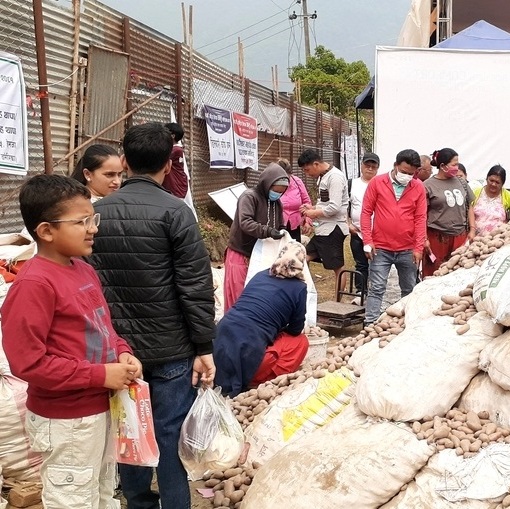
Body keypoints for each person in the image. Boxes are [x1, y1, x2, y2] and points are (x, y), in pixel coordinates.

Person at [89, 122, 216, 509]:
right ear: (167, 164)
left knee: (129, 428)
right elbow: (195, 286)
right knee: (170, 432)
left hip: (117, 351)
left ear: (124, 162)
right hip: (171, 348)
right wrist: (204, 347)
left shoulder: (93, 215)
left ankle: (139, 502)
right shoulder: (176, 212)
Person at [2, 174, 141, 509]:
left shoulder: (83, 269)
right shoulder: (34, 285)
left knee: (103, 491)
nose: (92, 229)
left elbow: (102, 328)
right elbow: (28, 363)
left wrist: (122, 352)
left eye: (92, 218)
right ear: (46, 231)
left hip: (101, 407)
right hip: (66, 421)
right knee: (73, 500)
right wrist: (100, 375)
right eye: (81, 222)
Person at [214, 241, 309, 396]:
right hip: (249, 351)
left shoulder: (261, 275)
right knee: (300, 342)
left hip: (219, 340)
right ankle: (260, 380)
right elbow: (295, 329)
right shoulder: (299, 288)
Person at [361, 149, 426, 325]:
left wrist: (418, 247)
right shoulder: (377, 182)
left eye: (411, 174)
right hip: (380, 247)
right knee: (376, 288)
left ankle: (407, 323)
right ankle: (370, 324)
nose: (407, 176)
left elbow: (421, 218)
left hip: (408, 248)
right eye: (404, 172)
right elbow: (366, 212)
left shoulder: (418, 187)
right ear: (395, 165)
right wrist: (367, 241)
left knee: (409, 288)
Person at [224, 163, 290, 311]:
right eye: (275, 190)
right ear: (267, 184)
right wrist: (268, 231)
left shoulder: (276, 203)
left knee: (257, 295)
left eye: (281, 192)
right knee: (239, 296)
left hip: (261, 255)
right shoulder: (249, 197)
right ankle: (235, 324)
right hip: (241, 252)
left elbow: (280, 223)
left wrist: (282, 231)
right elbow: (245, 222)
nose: (277, 194)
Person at [422, 148, 475, 277]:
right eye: (454, 164)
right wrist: (424, 238)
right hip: (436, 238)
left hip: (460, 236)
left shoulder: (462, 182)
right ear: (442, 166)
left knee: (457, 273)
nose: (456, 168)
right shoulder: (427, 185)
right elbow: (421, 214)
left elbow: (470, 206)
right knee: (434, 274)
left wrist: (472, 229)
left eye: (457, 164)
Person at [298, 148, 349, 282]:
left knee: (338, 267)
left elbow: (335, 207)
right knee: (303, 257)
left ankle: (339, 296)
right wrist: (313, 207)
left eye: (307, 170)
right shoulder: (323, 176)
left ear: (316, 164)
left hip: (332, 229)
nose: (307, 174)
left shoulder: (335, 177)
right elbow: (326, 203)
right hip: (323, 230)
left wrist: (313, 213)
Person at [348, 152, 380, 295]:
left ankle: (375, 291)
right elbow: (344, 206)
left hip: (377, 233)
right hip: (357, 231)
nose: (370, 169)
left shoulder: (380, 184)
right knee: (360, 264)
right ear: (361, 165)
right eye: (367, 165)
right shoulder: (352, 184)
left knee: (377, 264)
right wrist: (348, 224)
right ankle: (360, 291)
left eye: (373, 166)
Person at [472, 165, 510, 235]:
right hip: (475, 237)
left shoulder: (508, 197)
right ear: (486, 178)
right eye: (491, 180)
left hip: (498, 238)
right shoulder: (475, 193)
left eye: (497, 182)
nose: (493, 184)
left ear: (502, 184)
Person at [277, 158, 312, 242]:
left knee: (294, 247)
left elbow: (307, 202)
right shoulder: (272, 183)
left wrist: (307, 221)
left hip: (294, 225)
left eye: (287, 177)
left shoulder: (297, 181)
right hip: (278, 225)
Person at [163, 123, 189, 199]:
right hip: (176, 187)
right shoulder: (176, 149)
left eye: (165, 133)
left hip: (175, 188)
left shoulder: (175, 150)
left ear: (172, 136)